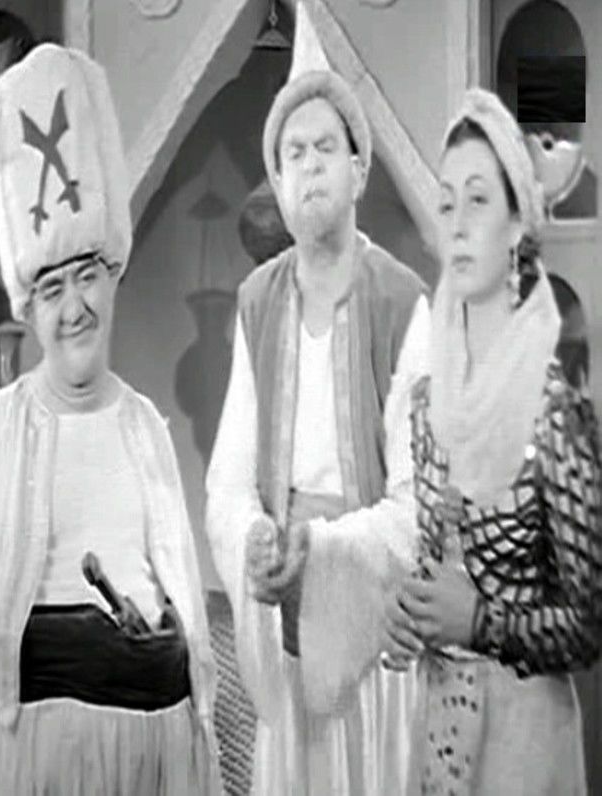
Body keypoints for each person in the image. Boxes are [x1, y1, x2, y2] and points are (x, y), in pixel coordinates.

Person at [0, 43, 222, 794]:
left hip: (149, 757)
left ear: (113, 275)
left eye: (87, 277)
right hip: (33, 760)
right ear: (28, 306)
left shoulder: (144, 427)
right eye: (51, 289)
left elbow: (180, 597)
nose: (74, 307)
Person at [205, 5, 430, 794]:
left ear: (359, 169)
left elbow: (420, 504)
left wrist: (324, 554)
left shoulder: (403, 303)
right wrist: (255, 544)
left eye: (325, 148)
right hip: (287, 636)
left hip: (375, 644)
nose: (309, 167)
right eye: (292, 153)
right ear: (276, 180)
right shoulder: (257, 305)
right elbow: (228, 482)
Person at [383, 87, 602, 794]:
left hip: (525, 735)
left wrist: (481, 622)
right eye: (447, 204)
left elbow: (590, 625)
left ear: (516, 224)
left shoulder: (554, 412)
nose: (458, 224)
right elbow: (433, 564)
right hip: (441, 723)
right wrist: (409, 615)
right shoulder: (425, 404)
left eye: (478, 200)